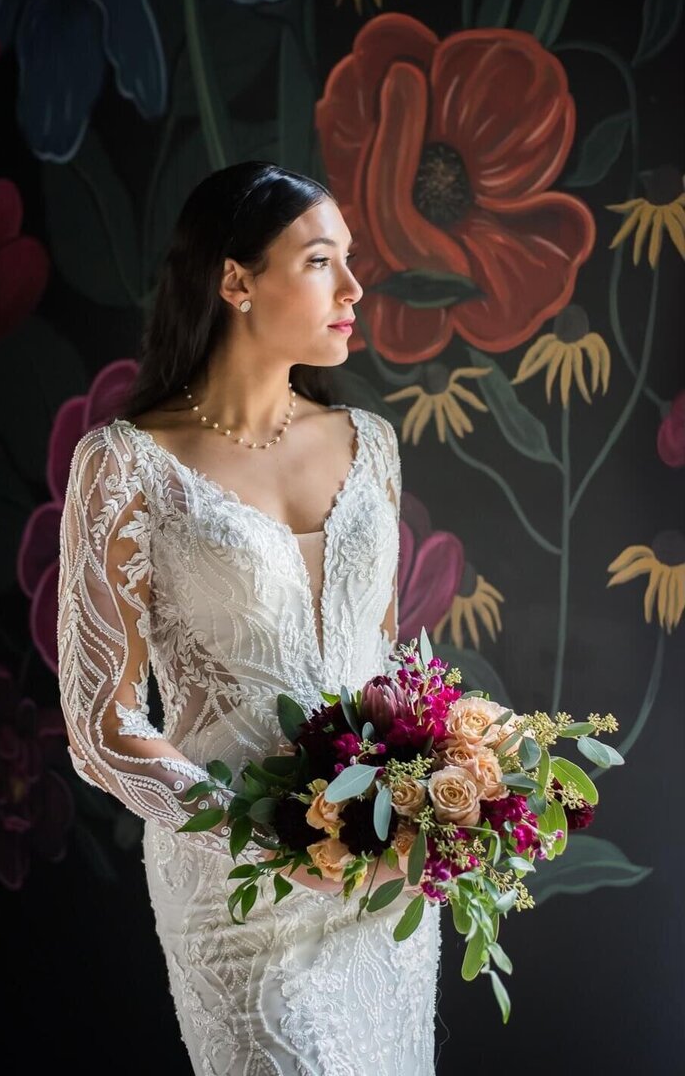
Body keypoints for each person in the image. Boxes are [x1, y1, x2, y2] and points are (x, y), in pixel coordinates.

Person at [56, 161, 441, 1074]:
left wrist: (446, 785)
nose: (354, 288)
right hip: (237, 887)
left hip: (376, 883)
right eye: (320, 261)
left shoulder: (370, 445)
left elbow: (378, 669)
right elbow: (100, 727)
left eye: (350, 261)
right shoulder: (123, 466)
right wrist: (271, 840)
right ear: (236, 280)